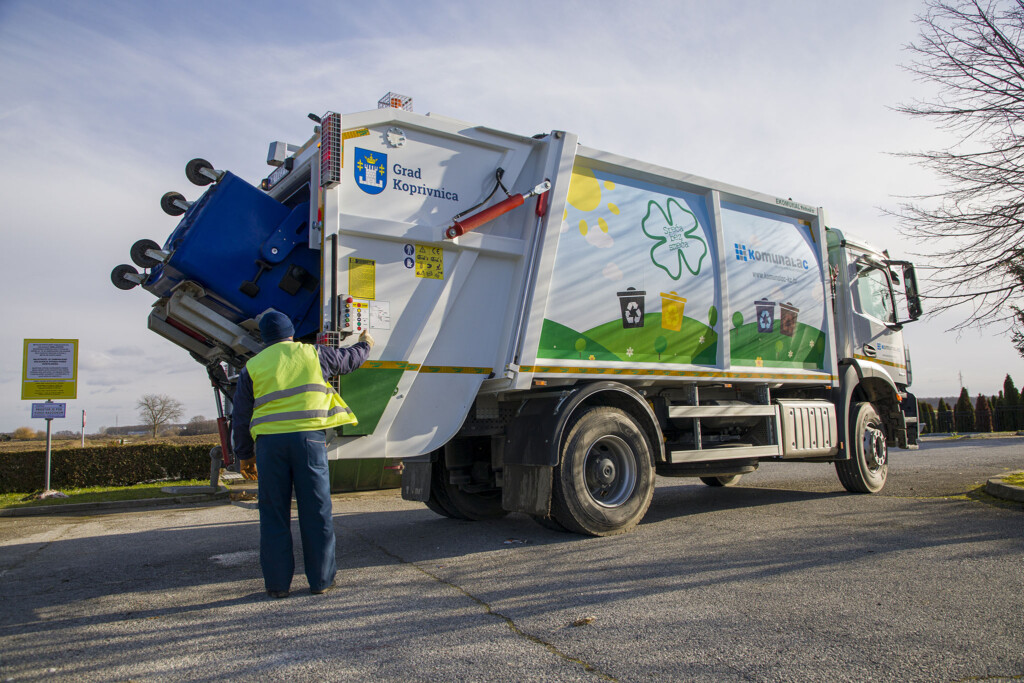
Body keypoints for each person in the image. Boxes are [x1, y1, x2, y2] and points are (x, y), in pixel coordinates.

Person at [231, 310, 373, 598]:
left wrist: (245, 455)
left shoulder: (252, 366)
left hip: (269, 446)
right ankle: (321, 581)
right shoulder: (313, 354)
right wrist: (366, 343)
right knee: (316, 510)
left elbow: (241, 416)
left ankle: (277, 585)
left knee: (273, 514)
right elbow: (349, 360)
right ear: (291, 332)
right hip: (308, 442)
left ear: (264, 338)